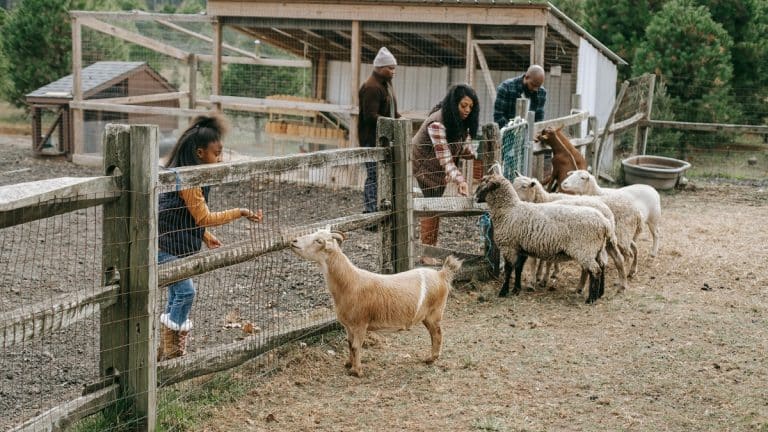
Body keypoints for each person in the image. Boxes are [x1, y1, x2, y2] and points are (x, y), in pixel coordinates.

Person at [157, 114, 263, 361]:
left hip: (176, 244)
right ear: (200, 153)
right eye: (217, 153)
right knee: (185, 293)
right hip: (167, 247)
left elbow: (185, 216)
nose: (220, 158)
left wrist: (204, 235)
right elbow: (202, 216)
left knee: (176, 294)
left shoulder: (189, 176)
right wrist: (240, 212)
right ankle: (173, 351)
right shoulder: (189, 180)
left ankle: (166, 350)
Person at [412, 84, 480, 265]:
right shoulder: (437, 122)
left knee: (435, 206)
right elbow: (445, 158)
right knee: (431, 206)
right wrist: (461, 180)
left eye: (470, 107)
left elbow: (460, 145)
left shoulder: (458, 120)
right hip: (424, 166)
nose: (467, 110)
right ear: (454, 103)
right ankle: (426, 252)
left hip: (437, 168)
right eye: (463, 105)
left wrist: (469, 152)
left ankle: (430, 248)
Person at [358, 46, 400, 215]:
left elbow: (390, 110)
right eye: (390, 68)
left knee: (382, 175)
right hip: (371, 139)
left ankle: (378, 207)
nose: (393, 71)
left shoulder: (385, 85)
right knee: (374, 175)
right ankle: (370, 210)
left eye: (394, 68)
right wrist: (392, 123)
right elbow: (370, 116)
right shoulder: (372, 87)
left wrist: (399, 118)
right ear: (380, 68)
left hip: (382, 138)